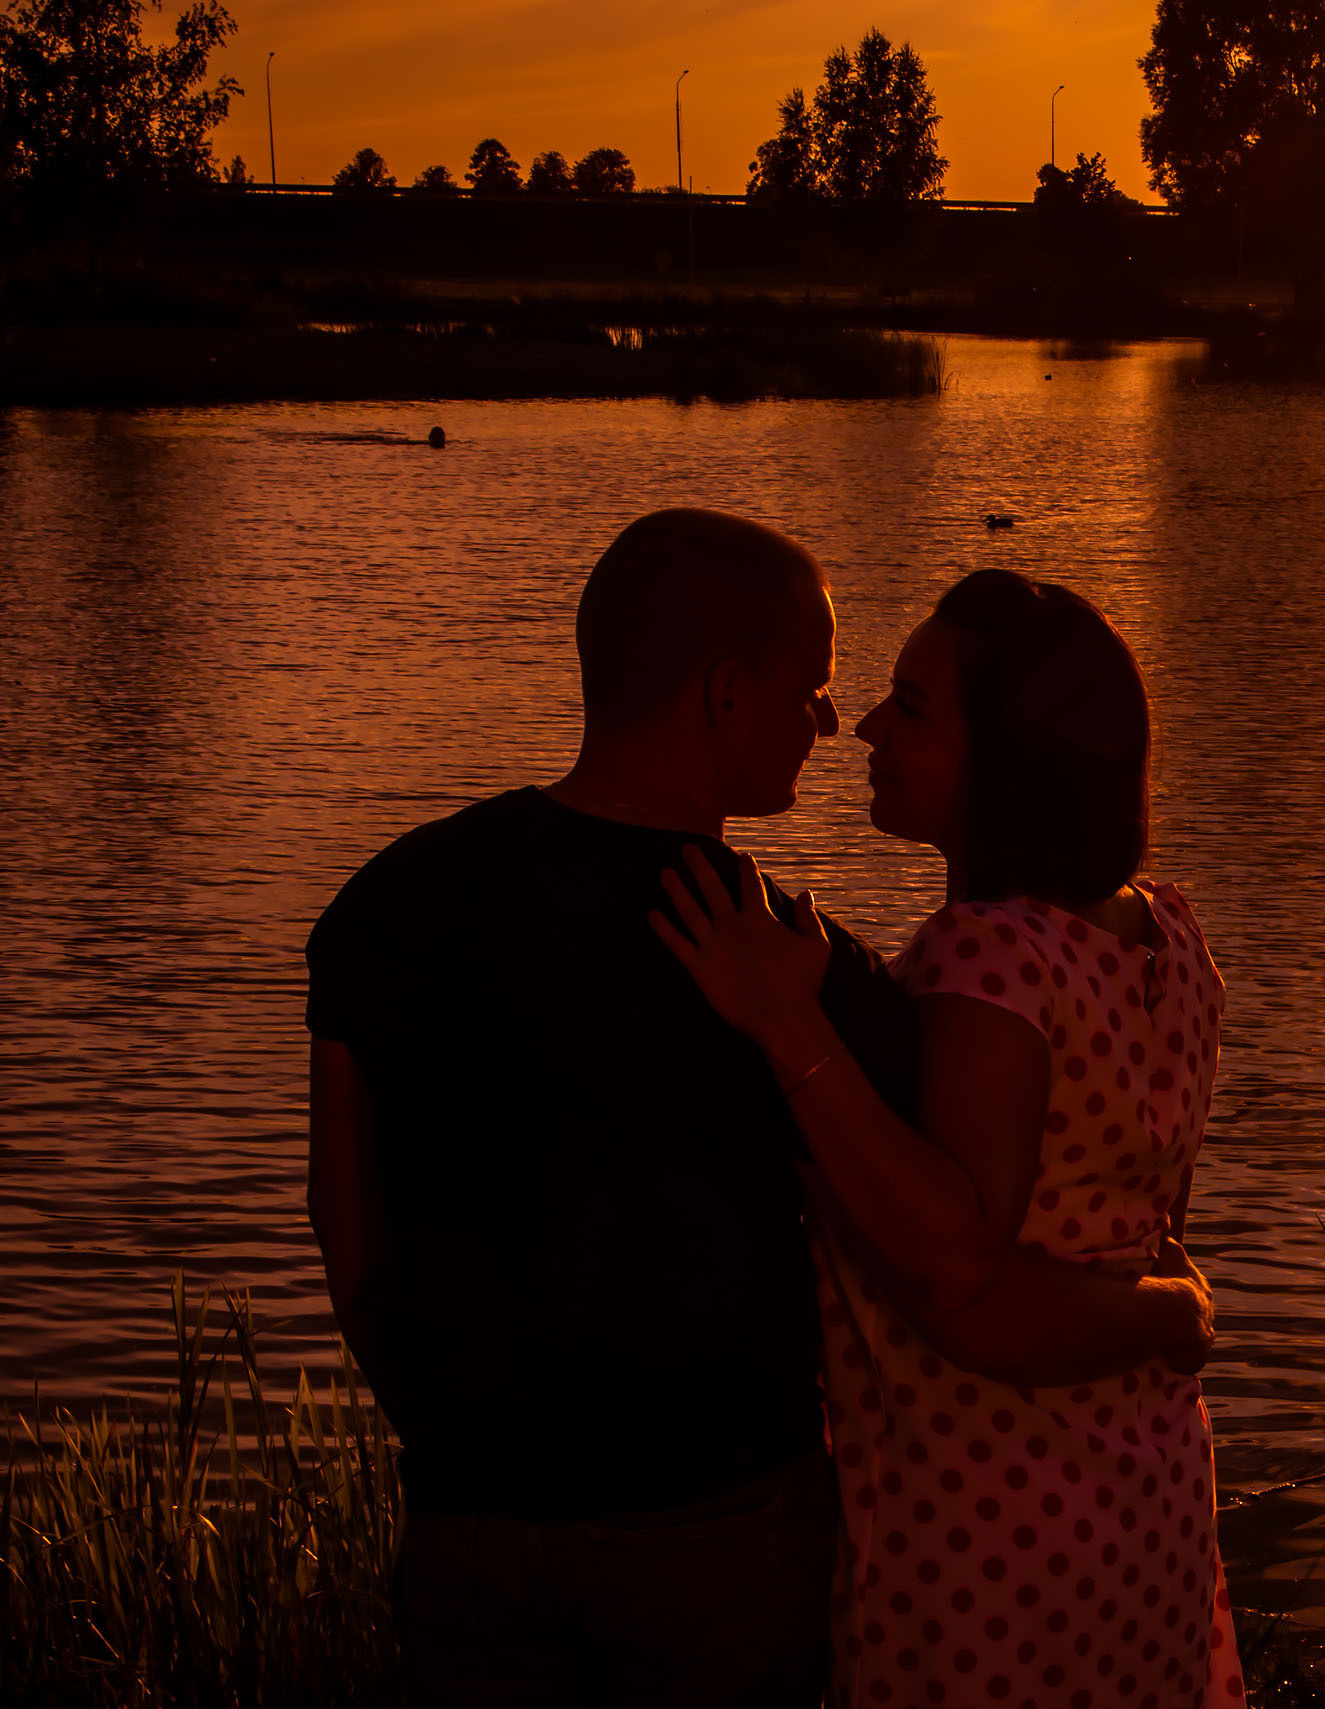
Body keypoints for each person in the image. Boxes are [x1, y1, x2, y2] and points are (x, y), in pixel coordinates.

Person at [304, 511, 1216, 1707]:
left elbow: (343, 1209)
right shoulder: (793, 961)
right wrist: (1170, 1306)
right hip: (730, 1532)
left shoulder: (387, 898)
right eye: (816, 687)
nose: (836, 722)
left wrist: (442, 1419)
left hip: (468, 1519)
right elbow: (966, 1256)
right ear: (727, 694)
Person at [653, 569, 1245, 1707]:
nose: (866, 727)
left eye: (911, 707)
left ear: (1008, 754)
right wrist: (1167, 1310)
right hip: (1149, 1490)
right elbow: (1135, 1232)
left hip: (989, 1517)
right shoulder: (1165, 932)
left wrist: (788, 1024)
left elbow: (961, 1285)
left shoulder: (988, 959)